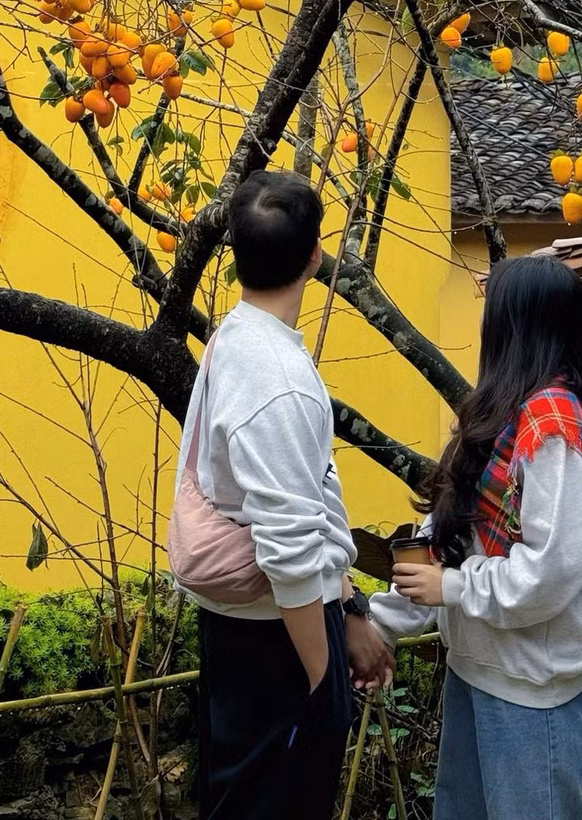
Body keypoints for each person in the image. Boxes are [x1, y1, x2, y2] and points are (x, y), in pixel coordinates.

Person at [369, 254, 582, 820]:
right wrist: (381, 623)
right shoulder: (504, 414)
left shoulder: (552, 428)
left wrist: (455, 589)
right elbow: (449, 533)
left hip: (533, 690)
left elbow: (552, 573)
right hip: (478, 668)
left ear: (513, 326)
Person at [177, 169, 393, 819]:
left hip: (245, 630)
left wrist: (349, 608)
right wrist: (324, 678)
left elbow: (308, 501)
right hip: (277, 645)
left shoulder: (236, 340)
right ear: (314, 256)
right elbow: (290, 550)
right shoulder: (277, 380)